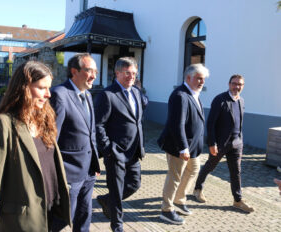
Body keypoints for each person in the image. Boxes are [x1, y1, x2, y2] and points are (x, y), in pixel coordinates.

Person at [0, 61, 71, 232]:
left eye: (49, 88)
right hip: (23, 217)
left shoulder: (44, 118)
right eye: (42, 88)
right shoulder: (3, 123)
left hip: (51, 208)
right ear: (24, 88)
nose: (49, 94)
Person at [50, 53, 100, 232]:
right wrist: (55, 175)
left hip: (88, 171)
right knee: (63, 218)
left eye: (96, 71)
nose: (94, 75)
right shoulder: (60, 95)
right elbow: (51, 140)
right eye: (89, 71)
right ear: (74, 71)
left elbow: (90, 132)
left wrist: (94, 163)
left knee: (84, 215)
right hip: (68, 172)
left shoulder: (87, 95)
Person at [95, 57, 145, 232]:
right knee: (116, 191)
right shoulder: (107, 95)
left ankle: (106, 200)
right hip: (115, 152)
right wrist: (108, 149)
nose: (131, 76)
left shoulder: (136, 92)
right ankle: (117, 226)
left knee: (134, 184)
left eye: (133, 73)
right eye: (127, 73)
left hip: (134, 151)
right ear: (117, 73)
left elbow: (136, 119)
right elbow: (98, 125)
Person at [193, 74, 254, 213]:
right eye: (234, 83)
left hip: (237, 143)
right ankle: (198, 189)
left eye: (239, 84)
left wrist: (240, 140)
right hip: (220, 143)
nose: (236, 87)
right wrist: (212, 143)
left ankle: (237, 201)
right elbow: (211, 123)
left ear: (243, 86)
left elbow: (239, 123)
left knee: (236, 172)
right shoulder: (220, 100)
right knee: (210, 166)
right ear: (229, 84)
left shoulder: (241, 101)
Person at [157, 63, 209, 225]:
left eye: (203, 79)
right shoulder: (180, 95)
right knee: (175, 176)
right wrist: (183, 147)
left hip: (192, 146)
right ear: (188, 78)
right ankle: (166, 209)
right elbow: (176, 124)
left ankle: (179, 199)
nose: (202, 82)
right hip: (179, 146)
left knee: (194, 169)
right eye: (198, 78)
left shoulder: (193, 93)